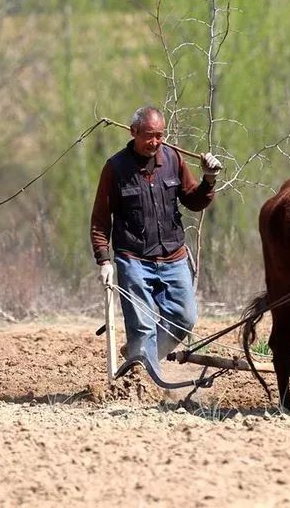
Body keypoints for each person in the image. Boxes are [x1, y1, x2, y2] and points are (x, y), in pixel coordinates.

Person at [90, 106, 222, 378]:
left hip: (174, 257)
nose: (155, 142)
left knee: (184, 319)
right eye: (149, 135)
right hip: (133, 259)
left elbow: (193, 201)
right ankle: (148, 380)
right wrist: (104, 260)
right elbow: (101, 219)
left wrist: (209, 180)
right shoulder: (115, 168)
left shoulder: (173, 159)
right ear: (133, 132)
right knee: (143, 327)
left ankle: (140, 358)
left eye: (160, 135)